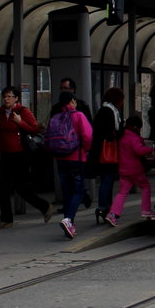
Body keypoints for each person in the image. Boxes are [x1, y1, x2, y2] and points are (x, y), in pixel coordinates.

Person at [0, 86, 55, 229]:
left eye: (9, 96)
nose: (6, 99)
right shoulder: (2, 112)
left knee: (19, 187)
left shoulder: (23, 111)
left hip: (20, 154)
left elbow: (36, 129)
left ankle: (45, 207)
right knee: (2, 186)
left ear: (16, 99)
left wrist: (20, 122)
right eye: (4, 96)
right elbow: (0, 133)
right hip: (6, 154)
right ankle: (6, 219)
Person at [51, 91, 93, 240]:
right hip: (76, 158)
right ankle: (68, 220)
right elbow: (88, 136)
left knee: (67, 192)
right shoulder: (78, 116)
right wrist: (86, 149)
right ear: (72, 102)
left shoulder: (55, 118)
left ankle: (69, 223)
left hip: (60, 159)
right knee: (78, 190)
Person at [105, 115, 155, 225]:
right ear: (136, 127)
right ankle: (146, 210)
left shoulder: (122, 136)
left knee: (122, 192)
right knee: (145, 186)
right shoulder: (134, 138)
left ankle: (113, 214)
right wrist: (150, 149)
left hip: (123, 170)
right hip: (135, 170)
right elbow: (139, 150)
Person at [88, 86, 124, 224]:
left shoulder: (104, 110)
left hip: (100, 151)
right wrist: (120, 132)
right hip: (107, 152)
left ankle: (105, 208)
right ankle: (103, 207)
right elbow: (111, 133)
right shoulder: (109, 111)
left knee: (106, 180)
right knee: (107, 180)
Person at [58, 76, 94, 212]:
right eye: (61, 88)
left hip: (63, 155)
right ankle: (69, 217)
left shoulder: (59, 111)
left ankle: (68, 213)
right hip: (74, 154)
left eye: (66, 88)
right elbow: (88, 134)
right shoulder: (77, 113)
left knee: (68, 185)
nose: (63, 91)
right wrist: (86, 148)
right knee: (75, 186)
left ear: (73, 90)